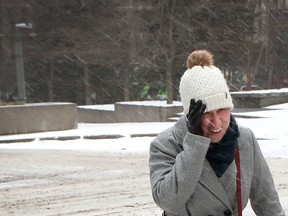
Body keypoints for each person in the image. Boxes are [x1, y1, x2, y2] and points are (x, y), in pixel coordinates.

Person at [148, 50, 285, 216]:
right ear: (190, 114)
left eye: (222, 109)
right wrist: (194, 144)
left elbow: (268, 205)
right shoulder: (165, 144)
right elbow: (168, 200)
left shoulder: (244, 139)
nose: (217, 121)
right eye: (206, 113)